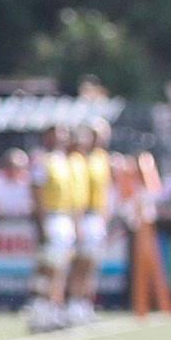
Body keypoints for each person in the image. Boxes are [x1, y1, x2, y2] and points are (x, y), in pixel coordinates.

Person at [25, 126, 80, 332]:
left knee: (60, 269)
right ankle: (39, 313)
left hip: (64, 217)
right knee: (47, 269)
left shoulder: (65, 161)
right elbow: (37, 193)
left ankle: (52, 310)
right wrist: (42, 223)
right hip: (52, 218)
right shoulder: (42, 160)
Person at [67, 118, 115, 327]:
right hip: (83, 214)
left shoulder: (102, 158)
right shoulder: (79, 159)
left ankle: (86, 304)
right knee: (80, 263)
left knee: (92, 265)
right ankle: (73, 304)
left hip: (97, 215)